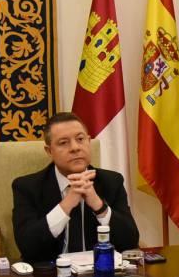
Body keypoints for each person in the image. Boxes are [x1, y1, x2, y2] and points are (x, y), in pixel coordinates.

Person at [12, 112, 139, 263]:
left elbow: (130, 241)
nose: (75, 148)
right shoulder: (27, 187)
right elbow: (27, 247)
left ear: (89, 141)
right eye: (63, 143)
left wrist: (99, 206)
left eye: (80, 139)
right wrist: (66, 204)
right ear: (49, 151)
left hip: (102, 273)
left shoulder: (111, 181)